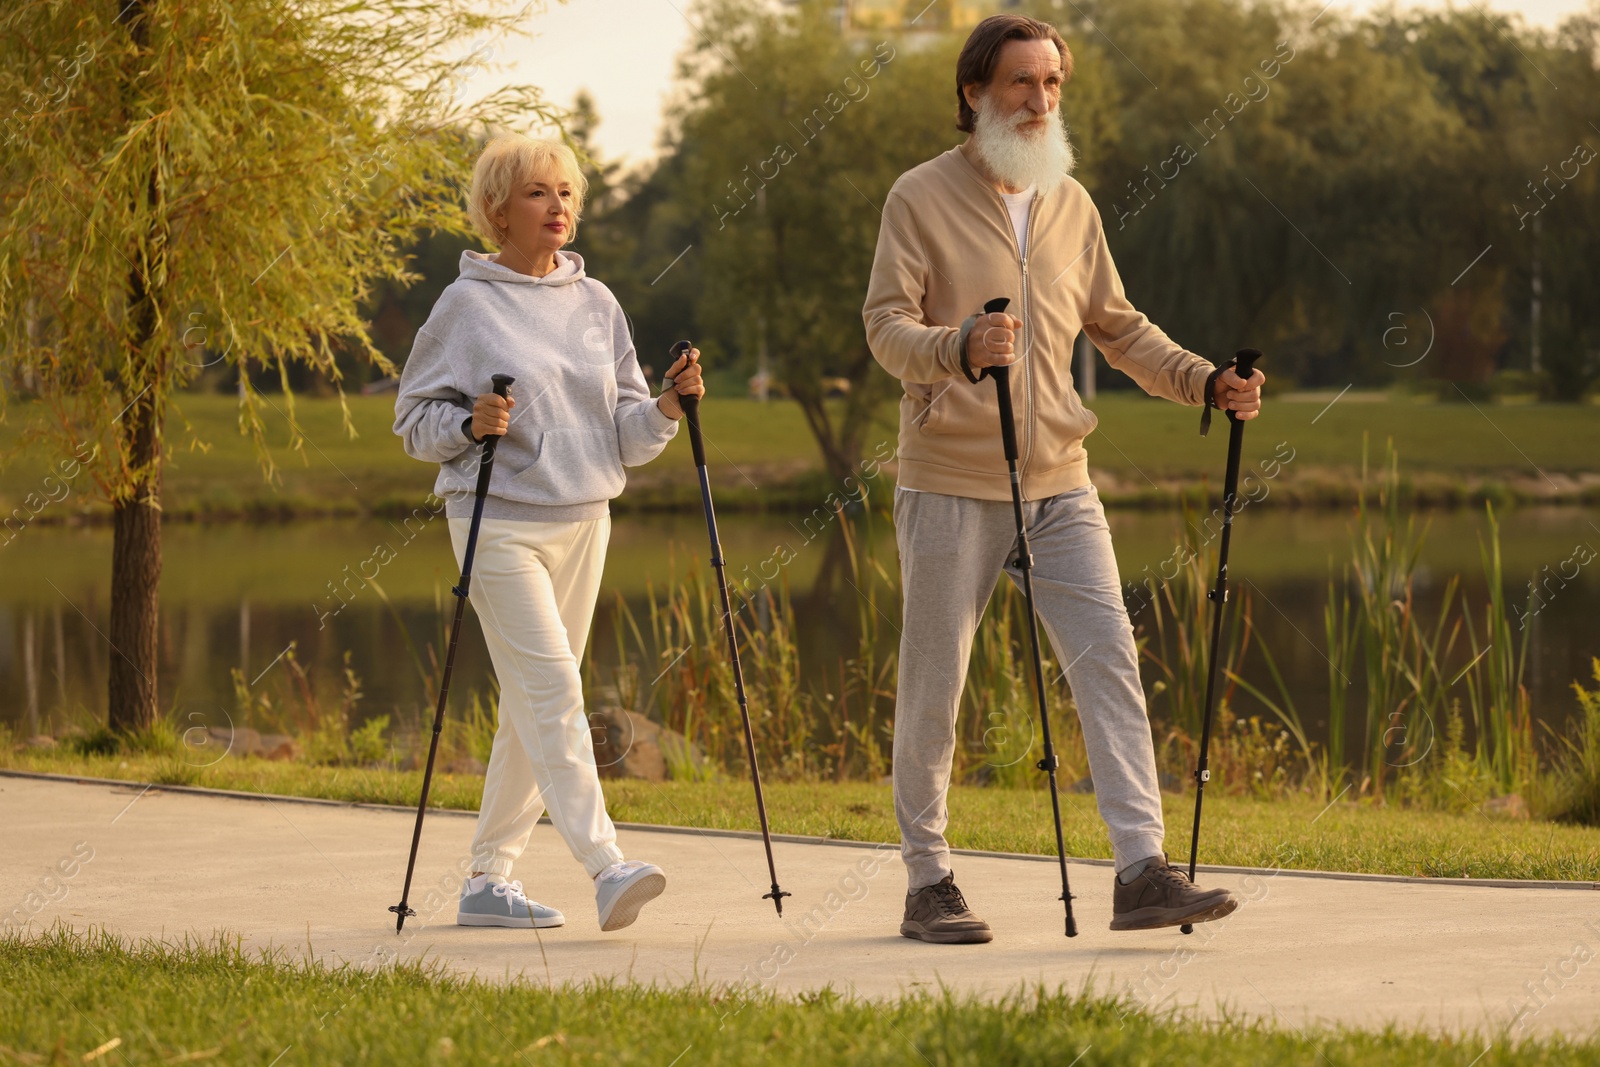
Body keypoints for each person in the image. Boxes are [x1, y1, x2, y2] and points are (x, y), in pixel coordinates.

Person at [862, 14, 1266, 944]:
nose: (1040, 101)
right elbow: (886, 330)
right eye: (1020, 84)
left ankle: (1140, 871)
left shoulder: (1070, 203)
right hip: (951, 479)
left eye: (1051, 85)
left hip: (1059, 482)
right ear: (975, 95)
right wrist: (957, 346)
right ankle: (930, 882)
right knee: (936, 686)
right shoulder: (918, 198)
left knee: (1109, 663)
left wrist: (1205, 379)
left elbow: (1119, 329)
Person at [393, 134, 704, 932]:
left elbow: (627, 430)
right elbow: (413, 421)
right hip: (495, 522)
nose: (558, 206)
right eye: (537, 193)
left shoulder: (596, 303)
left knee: (531, 707)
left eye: (566, 191)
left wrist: (667, 407)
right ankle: (608, 864)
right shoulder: (466, 305)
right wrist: (469, 422)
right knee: (556, 694)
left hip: (585, 520)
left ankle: (487, 879)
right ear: (498, 210)